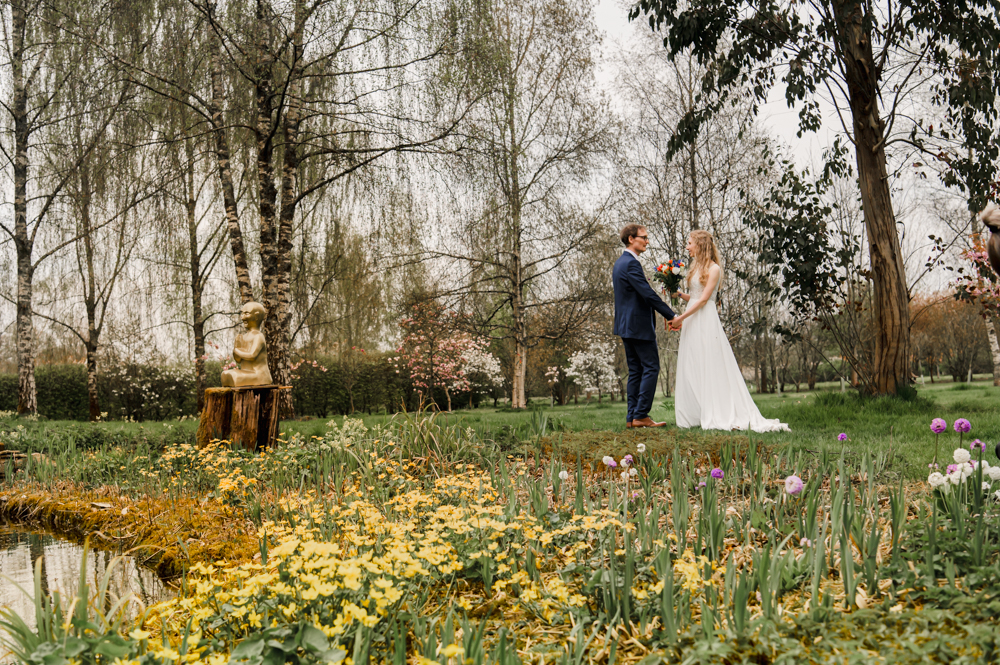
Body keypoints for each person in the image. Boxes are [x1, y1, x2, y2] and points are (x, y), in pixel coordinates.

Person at [669, 230, 789, 432]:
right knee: (692, 362)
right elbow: (696, 297)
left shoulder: (714, 268)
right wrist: (680, 294)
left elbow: (706, 299)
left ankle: (718, 410)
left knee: (709, 362)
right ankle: (694, 412)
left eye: (690, 243)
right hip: (692, 318)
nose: (687, 247)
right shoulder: (695, 267)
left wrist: (681, 318)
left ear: (700, 244)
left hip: (705, 320)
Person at [613, 224, 677, 428]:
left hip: (625, 325)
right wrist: (671, 315)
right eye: (644, 237)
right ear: (631, 239)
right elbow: (647, 294)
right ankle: (641, 415)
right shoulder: (631, 264)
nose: (647, 241)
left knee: (636, 370)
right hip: (638, 325)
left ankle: (632, 418)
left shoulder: (619, 263)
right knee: (651, 367)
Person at [221, 301, 273, 387]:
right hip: (246, 372)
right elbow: (238, 360)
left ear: (256, 316)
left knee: (234, 376)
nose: (242, 317)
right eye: (242, 314)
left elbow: (252, 356)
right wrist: (236, 346)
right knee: (225, 374)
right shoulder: (244, 337)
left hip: (258, 374)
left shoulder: (258, 336)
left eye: (246, 313)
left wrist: (237, 350)